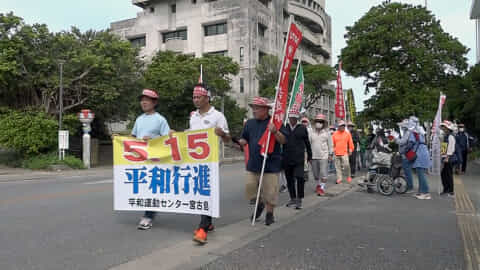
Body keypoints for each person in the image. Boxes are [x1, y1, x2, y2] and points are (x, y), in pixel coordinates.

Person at [189, 83, 231, 244]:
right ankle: (209, 222)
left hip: (211, 161)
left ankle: (203, 228)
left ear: (207, 98)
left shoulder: (218, 116)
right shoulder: (193, 116)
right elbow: (190, 137)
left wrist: (222, 134)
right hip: (195, 161)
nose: (196, 100)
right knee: (200, 192)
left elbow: (227, 140)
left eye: (199, 97)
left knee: (205, 191)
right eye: (194, 97)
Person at [238, 97, 287, 226]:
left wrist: (275, 131)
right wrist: (242, 142)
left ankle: (269, 214)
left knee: (270, 192)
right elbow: (244, 138)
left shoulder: (275, 122)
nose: (254, 110)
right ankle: (259, 204)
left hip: (271, 164)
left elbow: (283, 141)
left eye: (257, 108)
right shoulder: (249, 123)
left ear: (266, 109)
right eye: (253, 108)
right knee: (250, 187)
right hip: (253, 163)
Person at [132, 89, 171, 230]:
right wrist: (119, 139)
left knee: (152, 188)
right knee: (142, 187)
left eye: (147, 100)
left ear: (154, 102)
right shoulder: (139, 119)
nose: (143, 102)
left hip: (155, 160)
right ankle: (149, 212)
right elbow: (133, 138)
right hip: (140, 160)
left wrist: (154, 139)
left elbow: (167, 140)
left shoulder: (160, 120)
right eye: (142, 100)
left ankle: (148, 216)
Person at [283, 109, 312, 209]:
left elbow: (307, 142)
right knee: (289, 179)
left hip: (299, 158)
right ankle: (293, 198)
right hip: (287, 157)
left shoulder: (302, 128)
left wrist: (309, 155)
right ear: (288, 118)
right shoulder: (284, 127)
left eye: (294, 118)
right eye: (291, 117)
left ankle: (299, 198)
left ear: (297, 118)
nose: (292, 119)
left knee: (300, 177)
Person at [407, 116, 431, 200]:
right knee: (420, 173)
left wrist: (404, 149)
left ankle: (426, 193)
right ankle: (421, 191)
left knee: (421, 174)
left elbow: (410, 144)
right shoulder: (420, 131)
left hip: (419, 155)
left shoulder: (414, 133)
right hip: (423, 153)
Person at [309, 114, 333, 196]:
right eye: (317, 121)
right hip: (313, 156)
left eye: (320, 121)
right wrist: (308, 156)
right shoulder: (311, 132)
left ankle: (322, 188)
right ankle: (319, 185)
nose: (319, 123)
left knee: (323, 173)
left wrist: (330, 154)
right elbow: (308, 144)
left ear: (323, 123)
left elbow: (330, 144)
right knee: (316, 175)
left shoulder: (327, 133)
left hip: (324, 156)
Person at [396, 119, 415, 194]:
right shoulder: (407, 132)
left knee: (407, 172)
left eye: (402, 126)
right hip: (405, 154)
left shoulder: (407, 133)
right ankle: (409, 186)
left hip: (405, 155)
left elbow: (403, 142)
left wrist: (396, 139)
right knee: (407, 171)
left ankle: (410, 187)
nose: (401, 127)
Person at [440, 120, 456, 196]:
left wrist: (447, 157)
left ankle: (450, 191)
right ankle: (446, 189)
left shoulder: (450, 136)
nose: (443, 128)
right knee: (444, 174)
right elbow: (443, 147)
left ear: (447, 128)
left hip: (449, 158)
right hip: (445, 157)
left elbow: (451, 148)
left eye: (444, 127)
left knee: (448, 174)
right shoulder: (445, 135)